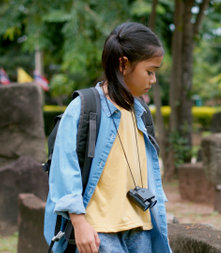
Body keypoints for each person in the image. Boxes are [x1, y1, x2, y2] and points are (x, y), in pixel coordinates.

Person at [44, 22, 172, 253]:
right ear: (123, 64)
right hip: (98, 231)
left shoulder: (140, 113)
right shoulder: (84, 108)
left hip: (140, 228)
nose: (153, 80)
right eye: (149, 71)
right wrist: (79, 222)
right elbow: (65, 168)